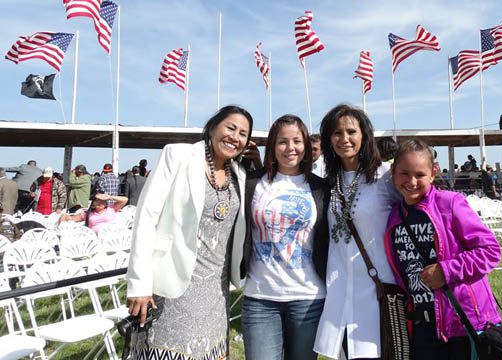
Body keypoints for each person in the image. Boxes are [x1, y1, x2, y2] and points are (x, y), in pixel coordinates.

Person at [125, 105, 258, 360]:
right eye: (230, 128)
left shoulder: (239, 175)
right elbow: (146, 218)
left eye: (243, 133)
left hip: (216, 294)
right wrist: (139, 284)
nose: (235, 137)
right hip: (172, 286)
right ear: (212, 127)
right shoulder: (178, 156)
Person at [384, 139, 502, 359]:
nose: (411, 181)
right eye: (404, 173)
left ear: (433, 172)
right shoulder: (394, 216)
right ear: (393, 172)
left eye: (420, 174)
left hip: (462, 325)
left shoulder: (450, 204)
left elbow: (490, 250)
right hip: (421, 328)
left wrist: (445, 271)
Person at [314, 104, 399, 360]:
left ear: (364, 135)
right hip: (339, 288)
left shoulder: (385, 177)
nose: (344, 139)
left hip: (377, 289)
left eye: (351, 131)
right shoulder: (328, 180)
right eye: (337, 133)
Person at [241, 115, 329, 360]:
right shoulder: (252, 183)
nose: (290, 148)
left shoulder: (322, 188)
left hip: (308, 299)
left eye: (297, 141)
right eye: (282, 142)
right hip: (260, 298)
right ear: (271, 146)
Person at [59, 192, 128, 234]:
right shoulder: (88, 214)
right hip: (95, 239)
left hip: (111, 238)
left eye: (102, 201)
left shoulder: (111, 209)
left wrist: (110, 197)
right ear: (93, 204)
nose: (100, 203)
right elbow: (71, 218)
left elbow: (125, 200)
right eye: (97, 201)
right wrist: (63, 216)